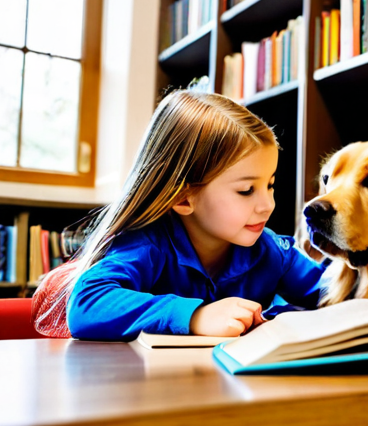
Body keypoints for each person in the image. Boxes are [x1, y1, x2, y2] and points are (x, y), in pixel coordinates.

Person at [64, 90, 326, 341]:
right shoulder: (147, 245)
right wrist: (195, 317)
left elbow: (331, 293)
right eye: (246, 190)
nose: (267, 205)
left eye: (270, 185)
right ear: (183, 197)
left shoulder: (271, 251)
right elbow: (86, 304)